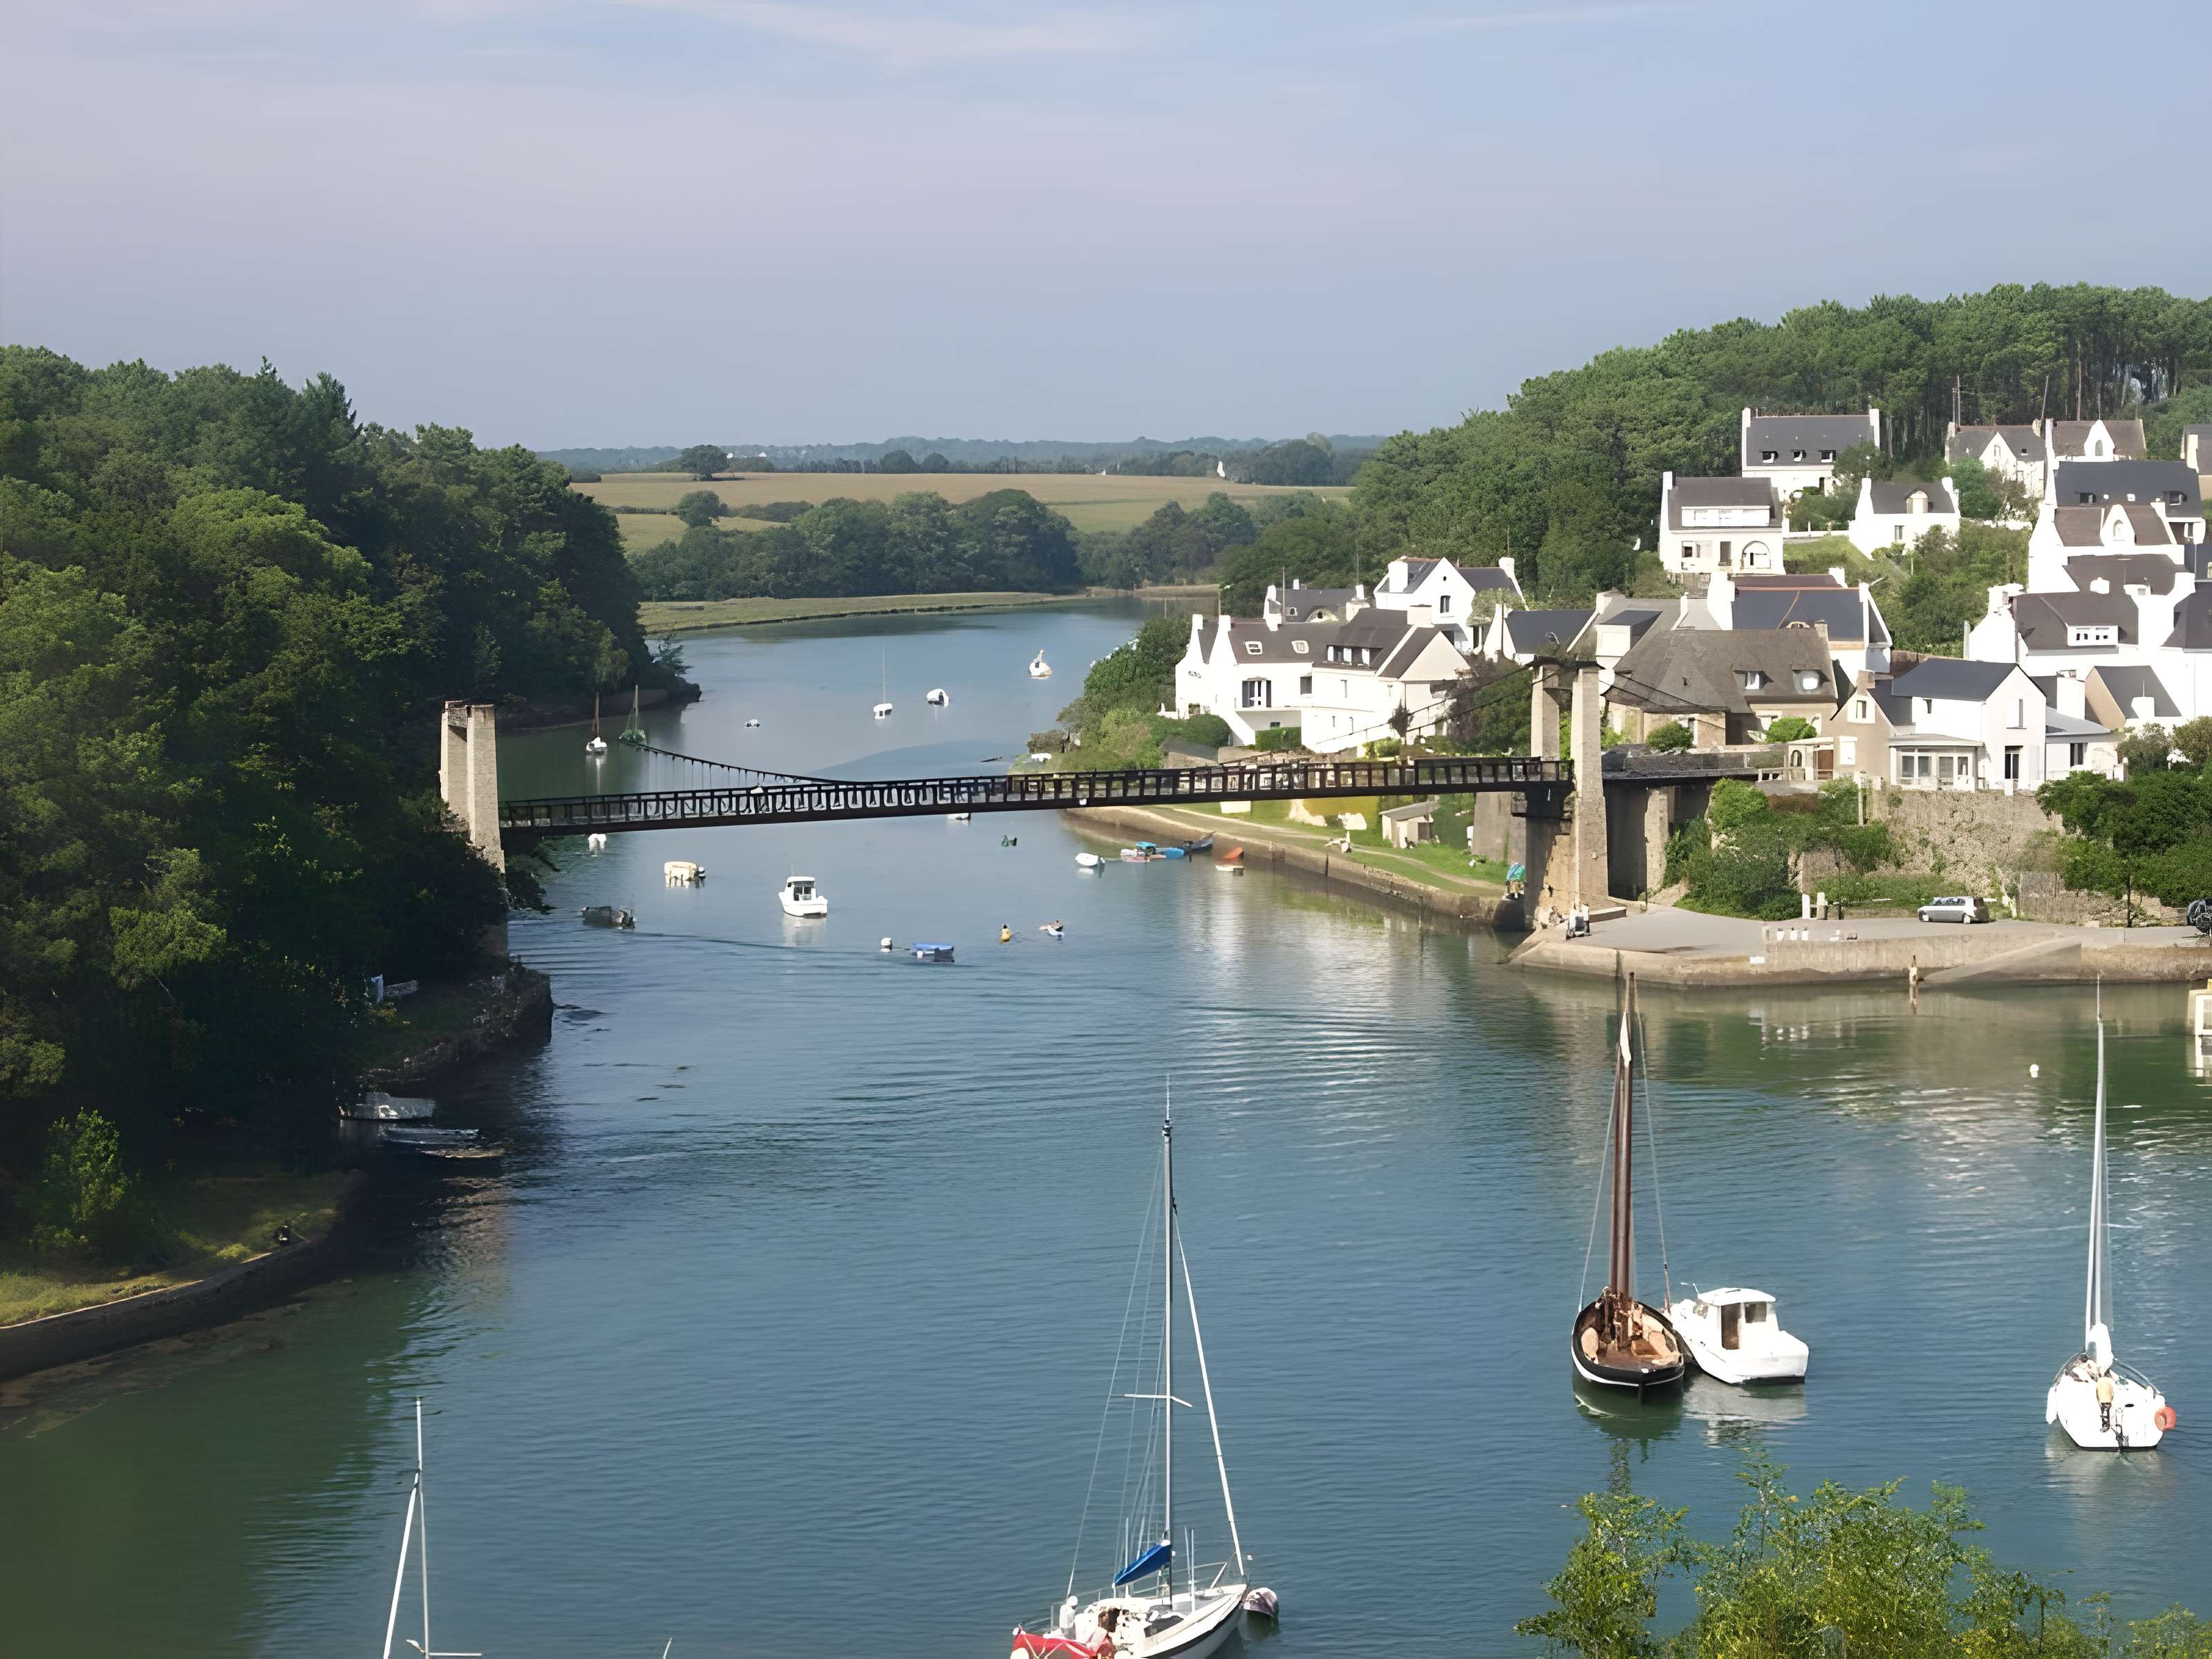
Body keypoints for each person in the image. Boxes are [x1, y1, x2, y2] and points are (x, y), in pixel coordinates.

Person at [2096, 1365, 2116, 1434]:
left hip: (2102, 1401)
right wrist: (2112, 1399)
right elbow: (2113, 1391)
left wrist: (2098, 1400)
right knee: (2107, 1413)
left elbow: (2097, 1392)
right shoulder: (2110, 1380)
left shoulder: (2099, 1381)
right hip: (2108, 1400)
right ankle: (2108, 1425)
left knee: (2103, 1413)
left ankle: (2104, 1426)